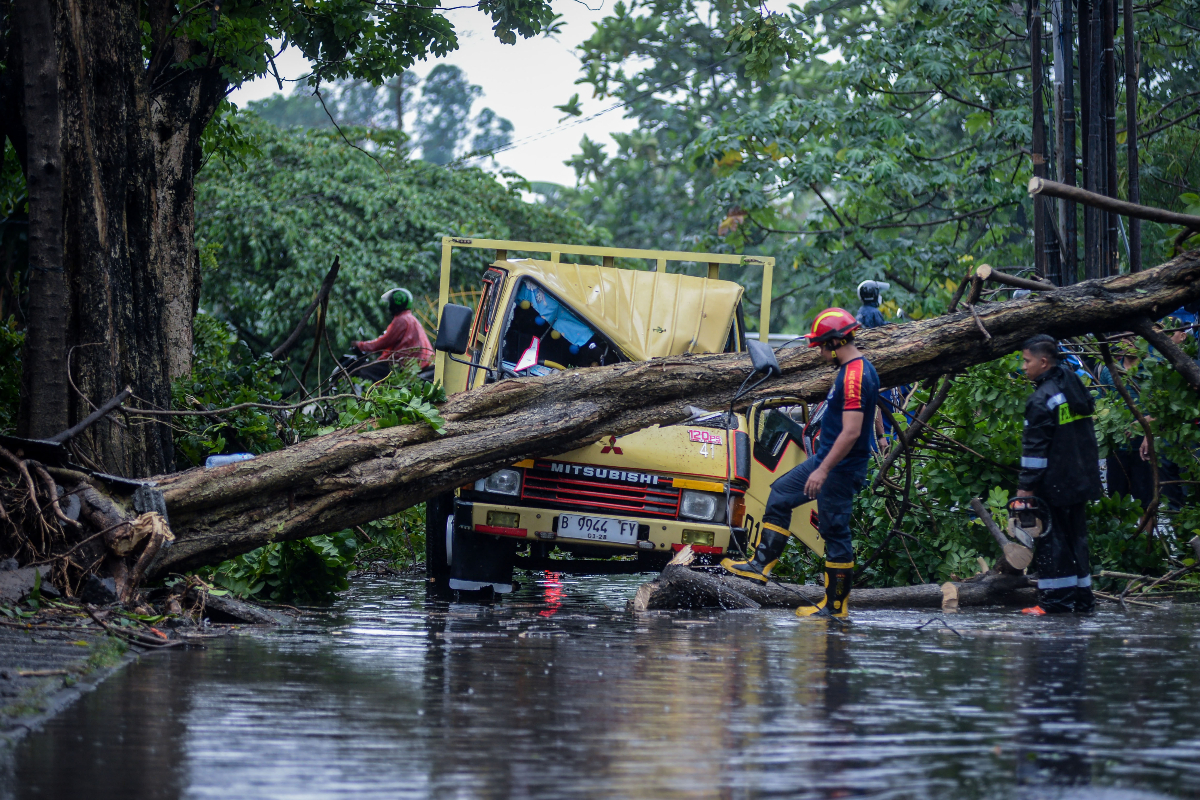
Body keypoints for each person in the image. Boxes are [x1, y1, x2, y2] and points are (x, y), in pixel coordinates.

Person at [721, 308, 879, 618]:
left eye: (821, 345)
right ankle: (760, 565)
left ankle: (835, 606)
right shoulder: (855, 371)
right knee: (780, 493)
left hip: (838, 467)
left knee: (835, 530)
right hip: (828, 460)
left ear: (834, 342)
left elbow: (851, 432)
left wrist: (823, 469)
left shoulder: (855, 376)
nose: (819, 352)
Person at [1016, 334, 1104, 615]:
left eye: (1026, 361)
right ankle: (1081, 598)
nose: (1023, 367)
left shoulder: (1041, 399)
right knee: (1076, 539)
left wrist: (1025, 492)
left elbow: (1034, 452)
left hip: (1054, 483)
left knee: (1052, 543)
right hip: (1081, 478)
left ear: (1043, 362)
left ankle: (1054, 603)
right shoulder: (1072, 383)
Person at [352, 288, 434, 382]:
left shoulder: (401, 320)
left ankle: (370, 395)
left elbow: (383, 342)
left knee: (365, 370)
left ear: (396, 302)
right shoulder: (410, 318)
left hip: (406, 363)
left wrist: (360, 345)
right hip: (418, 361)